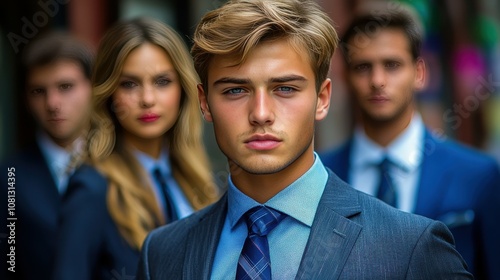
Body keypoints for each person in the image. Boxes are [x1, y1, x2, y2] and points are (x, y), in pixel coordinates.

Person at [137, 0, 473, 279]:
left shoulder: (410, 247)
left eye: (285, 88)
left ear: (322, 98)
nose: (261, 113)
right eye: (235, 90)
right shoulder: (163, 253)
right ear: (205, 102)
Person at [319, 8, 500, 279]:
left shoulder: (478, 176)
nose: (377, 81)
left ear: (420, 73)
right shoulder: (319, 175)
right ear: (345, 76)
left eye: (392, 65)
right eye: (363, 67)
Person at [51, 17, 219, 280]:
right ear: (109, 93)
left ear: (183, 89)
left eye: (162, 81)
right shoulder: (92, 188)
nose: (147, 99)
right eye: (129, 84)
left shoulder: (196, 177)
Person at [0, 32, 94, 280]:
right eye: (38, 91)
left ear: (92, 86)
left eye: (66, 86)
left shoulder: (118, 164)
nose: (52, 102)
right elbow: (6, 264)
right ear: (25, 99)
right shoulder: (8, 178)